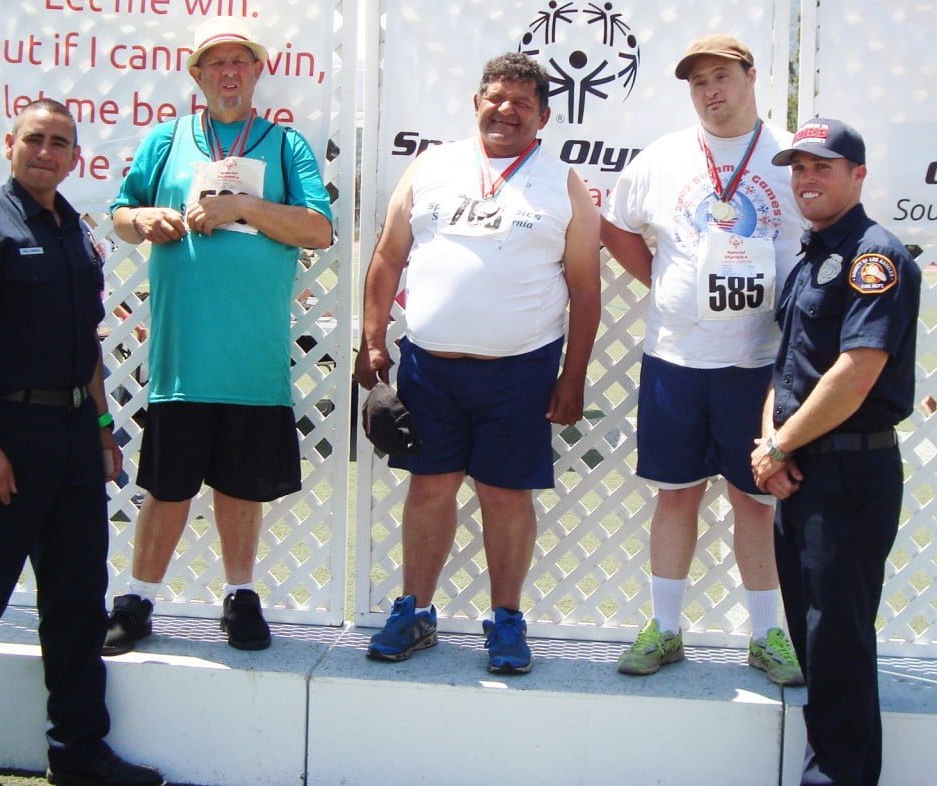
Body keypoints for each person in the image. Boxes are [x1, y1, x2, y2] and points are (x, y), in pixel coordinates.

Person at [0, 99, 163, 786]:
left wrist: (102, 430)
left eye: (60, 142)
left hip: (72, 439)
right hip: (9, 438)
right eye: (35, 138)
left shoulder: (74, 233)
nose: (46, 151)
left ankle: (78, 753)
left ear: (74, 157)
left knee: (77, 604)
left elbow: (84, 343)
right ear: (11, 143)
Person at [354, 52, 601, 674]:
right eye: (496, 97)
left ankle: (507, 620)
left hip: (520, 369)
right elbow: (387, 256)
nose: (506, 110)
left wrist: (572, 377)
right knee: (429, 487)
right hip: (429, 367)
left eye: (522, 103)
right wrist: (372, 338)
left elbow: (585, 288)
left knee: (506, 495)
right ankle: (414, 611)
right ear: (476, 103)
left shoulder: (563, 183)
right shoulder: (430, 167)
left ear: (543, 116)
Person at [103, 17, 333, 654]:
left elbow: (318, 230)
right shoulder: (167, 139)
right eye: (216, 63)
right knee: (167, 487)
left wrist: (242, 207)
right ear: (198, 75)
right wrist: (143, 218)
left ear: (257, 72)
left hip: (252, 361)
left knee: (240, 488)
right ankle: (138, 599)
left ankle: (240, 595)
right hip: (183, 358)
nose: (229, 73)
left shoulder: (284, 146)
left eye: (240, 62)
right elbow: (120, 213)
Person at [601, 34, 806, 684]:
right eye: (698, 82)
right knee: (676, 495)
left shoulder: (789, 157)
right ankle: (665, 628)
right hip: (676, 358)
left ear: (751, 76)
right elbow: (616, 224)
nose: (711, 91)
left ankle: (768, 635)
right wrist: (662, 282)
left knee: (755, 500)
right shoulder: (663, 156)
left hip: (759, 362)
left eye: (722, 77)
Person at [753, 118, 920, 786]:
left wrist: (779, 447)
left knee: (837, 645)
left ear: (858, 175)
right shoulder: (811, 255)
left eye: (822, 166)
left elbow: (856, 372)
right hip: (801, 470)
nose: (806, 179)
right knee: (814, 642)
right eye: (798, 168)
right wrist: (772, 446)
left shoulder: (874, 257)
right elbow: (787, 366)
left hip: (849, 473)